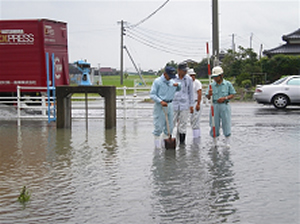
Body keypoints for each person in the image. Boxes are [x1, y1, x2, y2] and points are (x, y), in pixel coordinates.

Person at [150, 66, 181, 148]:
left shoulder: (171, 82)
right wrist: (160, 101)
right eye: (169, 76)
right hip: (160, 105)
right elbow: (152, 95)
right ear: (165, 74)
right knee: (158, 126)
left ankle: (165, 146)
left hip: (170, 105)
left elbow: (179, 88)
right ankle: (157, 148)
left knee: (170, 126)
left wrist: (178, 85)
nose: (170, 78)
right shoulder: (157, 82)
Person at [206, 66, 236, 147]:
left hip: (224, 105)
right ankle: (215, 141)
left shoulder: (227, 84)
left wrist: (225, 98)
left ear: (221, 75)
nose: (215, 78)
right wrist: (209, 94)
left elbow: (233, 94)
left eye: (216, 77)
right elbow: (207, 96)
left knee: (226, 122)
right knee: (214, 123)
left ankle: (227, 141)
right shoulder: (211, 85)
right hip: (214, 105)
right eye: (214, 77)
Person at [172, 62, 194, 145]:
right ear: (178, 70)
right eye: (183, 70)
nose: (185, 72)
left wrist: (191, 105)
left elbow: (191, 93)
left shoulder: (188, 79)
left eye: (186, 71)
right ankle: (171, 140)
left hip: (184, 104)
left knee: (183, 124)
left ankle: (182, 142)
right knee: (172, 123)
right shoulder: (173, 78)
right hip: (174, 103)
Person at [187, 68, 202, 139]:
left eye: (193, 75)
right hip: (190, 103)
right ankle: (195, 136)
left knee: (196, 120)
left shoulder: (197, 83)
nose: (192, 77)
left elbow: (199, 93)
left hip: (196, 102)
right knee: (192, 120)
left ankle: (196, 137)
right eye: (191, 75)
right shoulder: (187, 84)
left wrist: (198, 104)